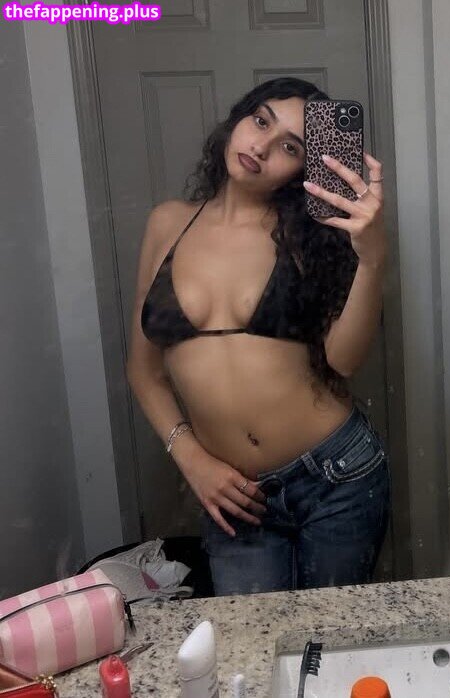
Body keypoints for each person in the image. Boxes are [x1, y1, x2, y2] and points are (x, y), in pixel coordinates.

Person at [126, 77, 390, 595]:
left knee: (334, 635)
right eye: (260, 120)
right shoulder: (167, 223)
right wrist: (192, 459)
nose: (262, 146)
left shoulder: (310, 235)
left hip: (335, 475)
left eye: (291, 147)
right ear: (238, 118)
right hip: (234, 496)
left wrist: (373, 258)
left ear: (304, 169)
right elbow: (143, 370)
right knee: (251, 642)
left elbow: (343, 361)